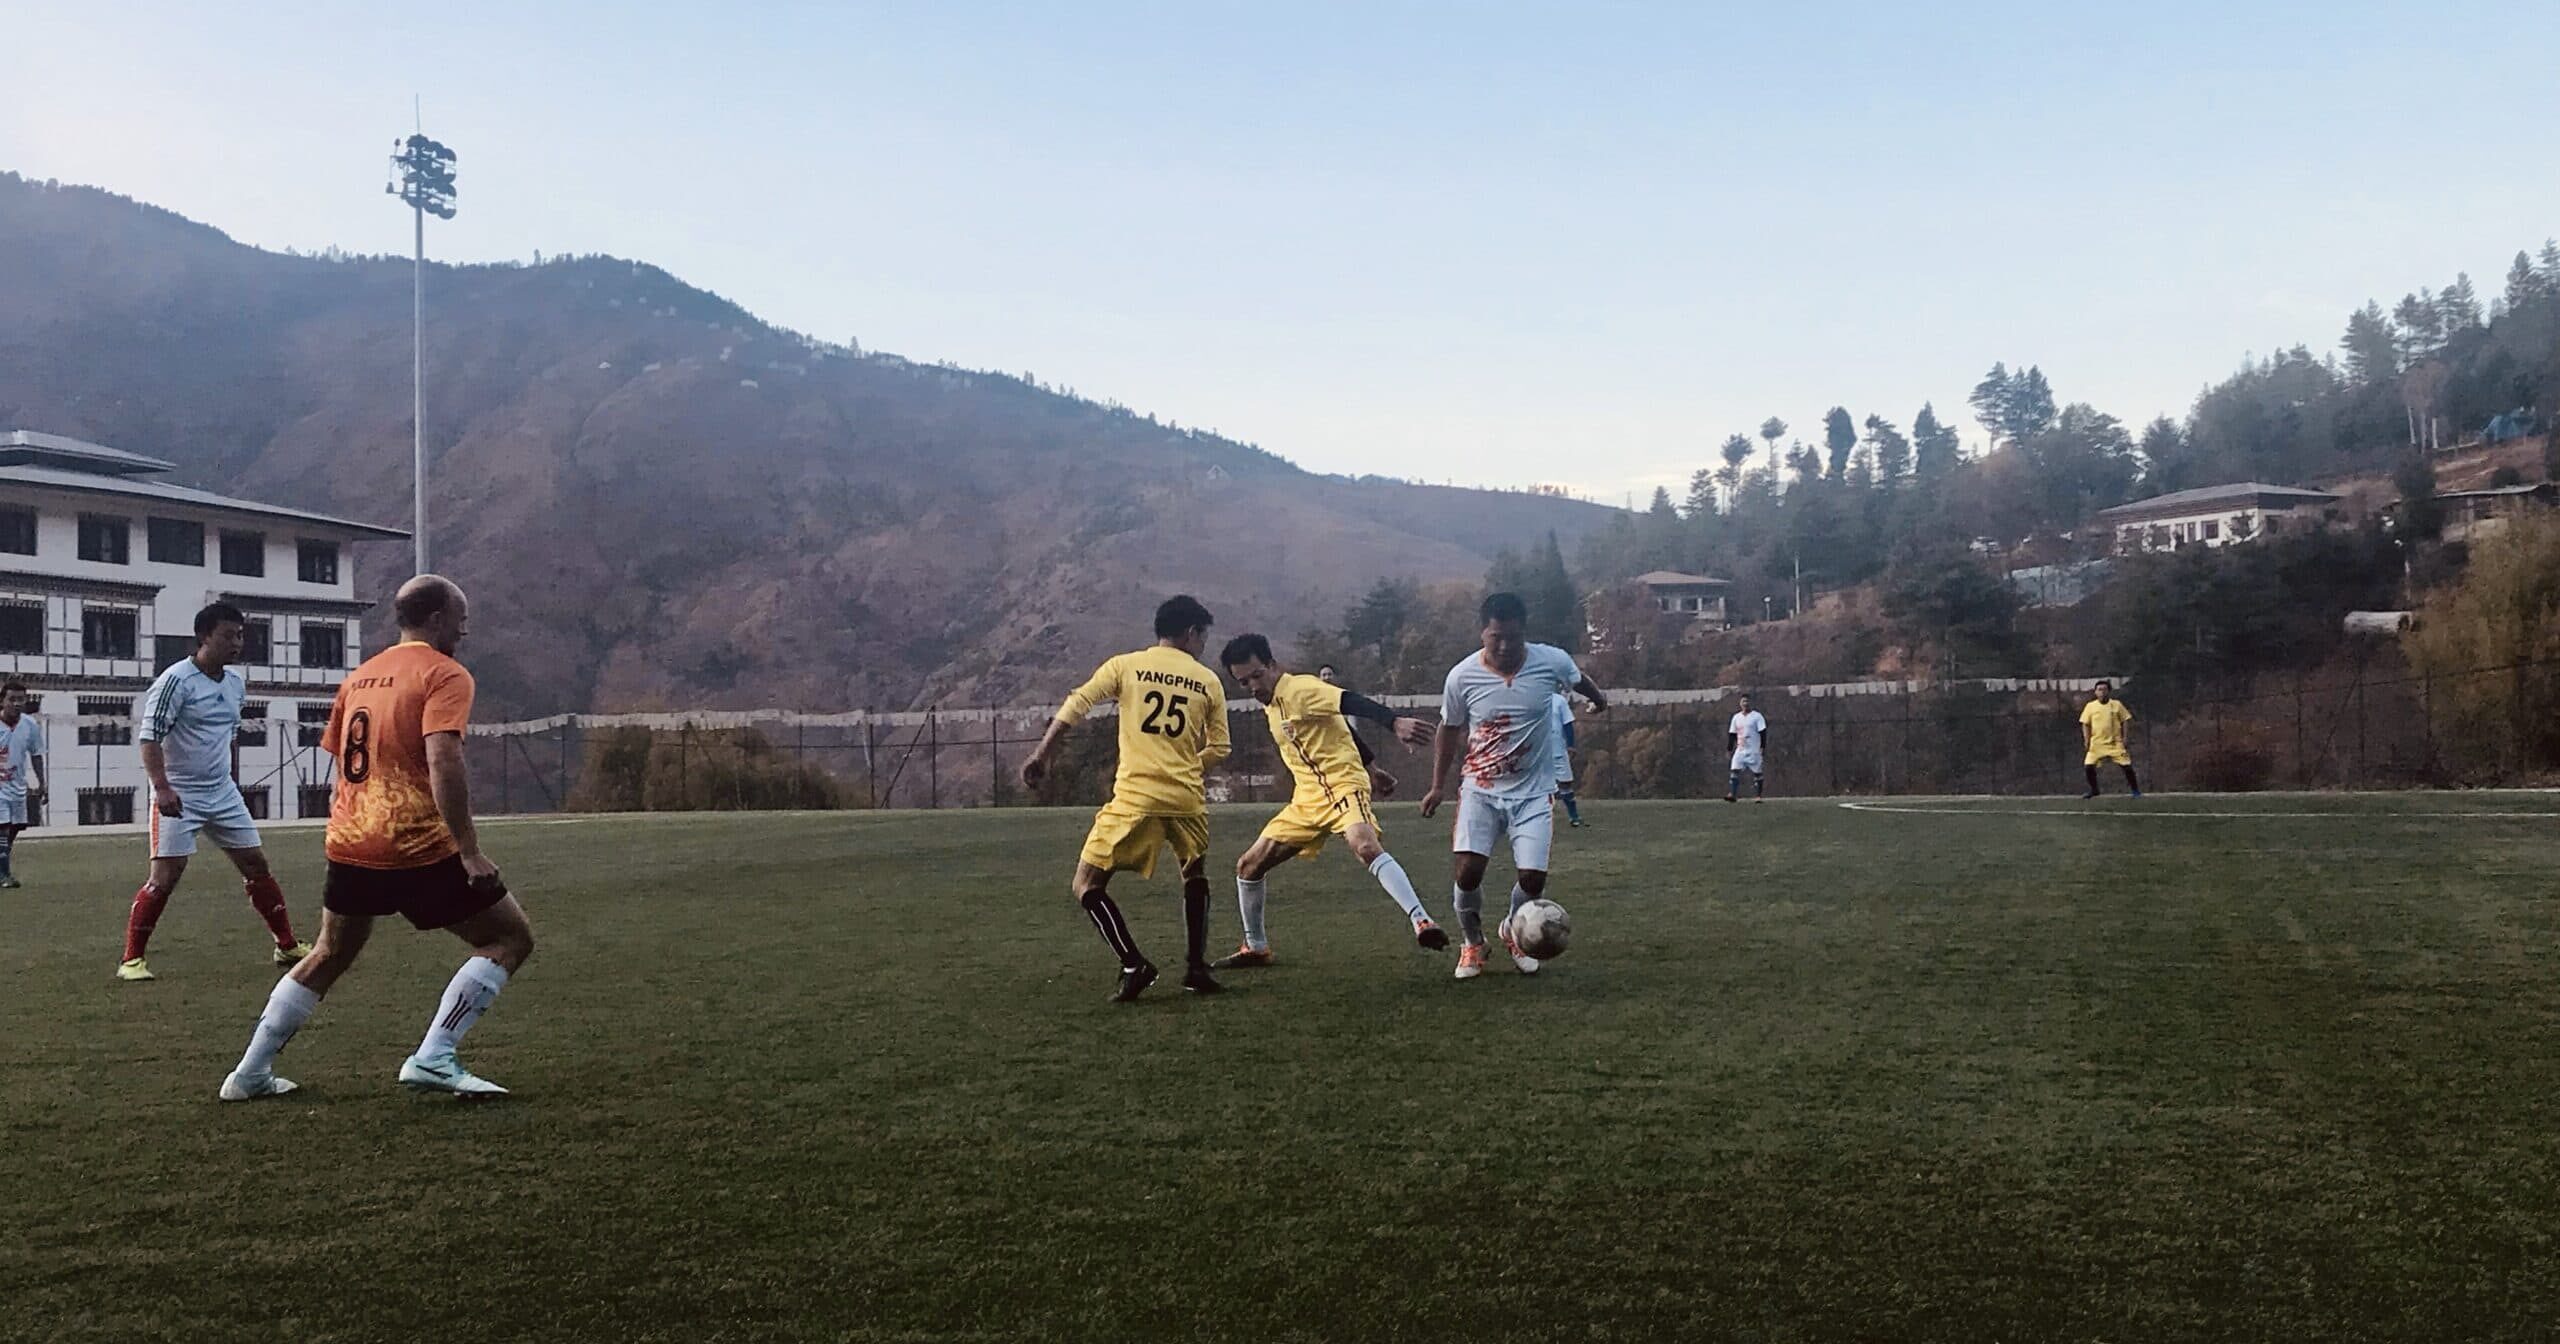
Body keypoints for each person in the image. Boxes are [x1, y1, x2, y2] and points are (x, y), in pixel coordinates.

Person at [220, 575, 534, 1100]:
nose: (466, 630)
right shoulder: (444, 673)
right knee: (509, 938)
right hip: (415, 843)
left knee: (328, 952)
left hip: (351, 841)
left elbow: (343, 761)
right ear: (435, 619)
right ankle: (434, 1056)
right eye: (462, 618)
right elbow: (443, 758)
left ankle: (248, 1074)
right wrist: (470, 851)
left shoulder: (360, 678)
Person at [1021, 596, 1231, 1002]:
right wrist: (1187, 766)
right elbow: (1220, 747)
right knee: (1194, 872)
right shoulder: (1207, 680)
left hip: (1137, 796)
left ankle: (1134, 964)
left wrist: (1042, 754)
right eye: (1203, 637)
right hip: (1186, 798)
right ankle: (1195, 968)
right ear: (1192, 633)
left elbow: (1078, 703)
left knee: (1086, 883)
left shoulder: (1126, 665)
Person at [1212, 634, 1443, 968]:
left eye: (1257, 675)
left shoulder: (1300, 690)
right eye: (1243, 682)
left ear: (1273, 665)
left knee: (1364, 845)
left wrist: (1393, 722)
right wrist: (1376, 768)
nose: (1252, 686)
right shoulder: (1272, 704)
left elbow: (1348, 702)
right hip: (1306, 799)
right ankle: (1256, 947)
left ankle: (1422, 921)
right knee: (1248, 866)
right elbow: (1340, 727)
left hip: (1342, 785)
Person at [1419, 592, 1609, 980]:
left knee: (1533, 881)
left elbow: (1578, 678)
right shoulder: (1462, 676)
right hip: (1481, 789)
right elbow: (1449, 729)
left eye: (1513, 638)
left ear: (1525, 633)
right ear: (1482, 633)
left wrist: (1600, 699)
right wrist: (1437, 786)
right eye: (1495, 638)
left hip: (1534, 792)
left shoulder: (1550, 661)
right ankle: (1472, 942)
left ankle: (1512, 928)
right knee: (1468, 872)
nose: (1504, 646)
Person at [117, 603, 310, 981]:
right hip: (179, 793)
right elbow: (149, 737)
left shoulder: (236, 684)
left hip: (222, 792)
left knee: (256, 864)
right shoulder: (175, 680)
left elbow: (229, 737)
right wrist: (162, 787)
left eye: (240, 635)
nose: (236, 643)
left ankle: (286, 946)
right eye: (227, 635)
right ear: (204, 637)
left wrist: (232, 779)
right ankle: (131, 960)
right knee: (165, 877)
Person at [0, 679, 46, 889]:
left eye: (21, 699)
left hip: (17, 786)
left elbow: (36, 755)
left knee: (14, 829)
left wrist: (42, 782)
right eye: (12, 699)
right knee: (2, 828)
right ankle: (4, 875)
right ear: (3, 701)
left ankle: (1, 868)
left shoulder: (29, 725)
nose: (17, 704)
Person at [2080, 680, 2140, 799]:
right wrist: (2086, 739)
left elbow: (2125, 720)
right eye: (2099, 690)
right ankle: (2094, 790)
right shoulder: (2090, 706)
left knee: (2127, 766)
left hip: (2115, 743)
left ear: (2109, 691)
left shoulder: (2116, 705)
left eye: (2104, 689)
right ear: (2095, 692)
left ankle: (2135, 791)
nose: (2102, 692)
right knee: (2088, 766)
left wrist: (2125, 737)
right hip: (2097, 744)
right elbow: (2085, 724)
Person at [1550, 690, 1585, 827]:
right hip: (1537, 752)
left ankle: (1573, 816)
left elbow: (1567, 724)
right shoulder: (1532, 698)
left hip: (1558, 749)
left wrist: (1570, 745)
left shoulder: (1559, 701)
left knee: (1565, 783)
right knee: (1537, 786)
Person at [1725, 694, 1768, 803]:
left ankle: (1758, 796)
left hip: (1754, 750)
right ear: (1740, 703)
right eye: (1743, 701)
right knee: (1734, 770)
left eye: (1747, 701)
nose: (1745, 704)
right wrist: (1729, 749)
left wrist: (1762, 747)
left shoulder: (1757, 716)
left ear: (1750, 703)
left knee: (1757, 773)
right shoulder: (1736, 717)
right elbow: (1732, 734)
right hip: (1741, 750)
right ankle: (1733, 794)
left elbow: (1763, 732)